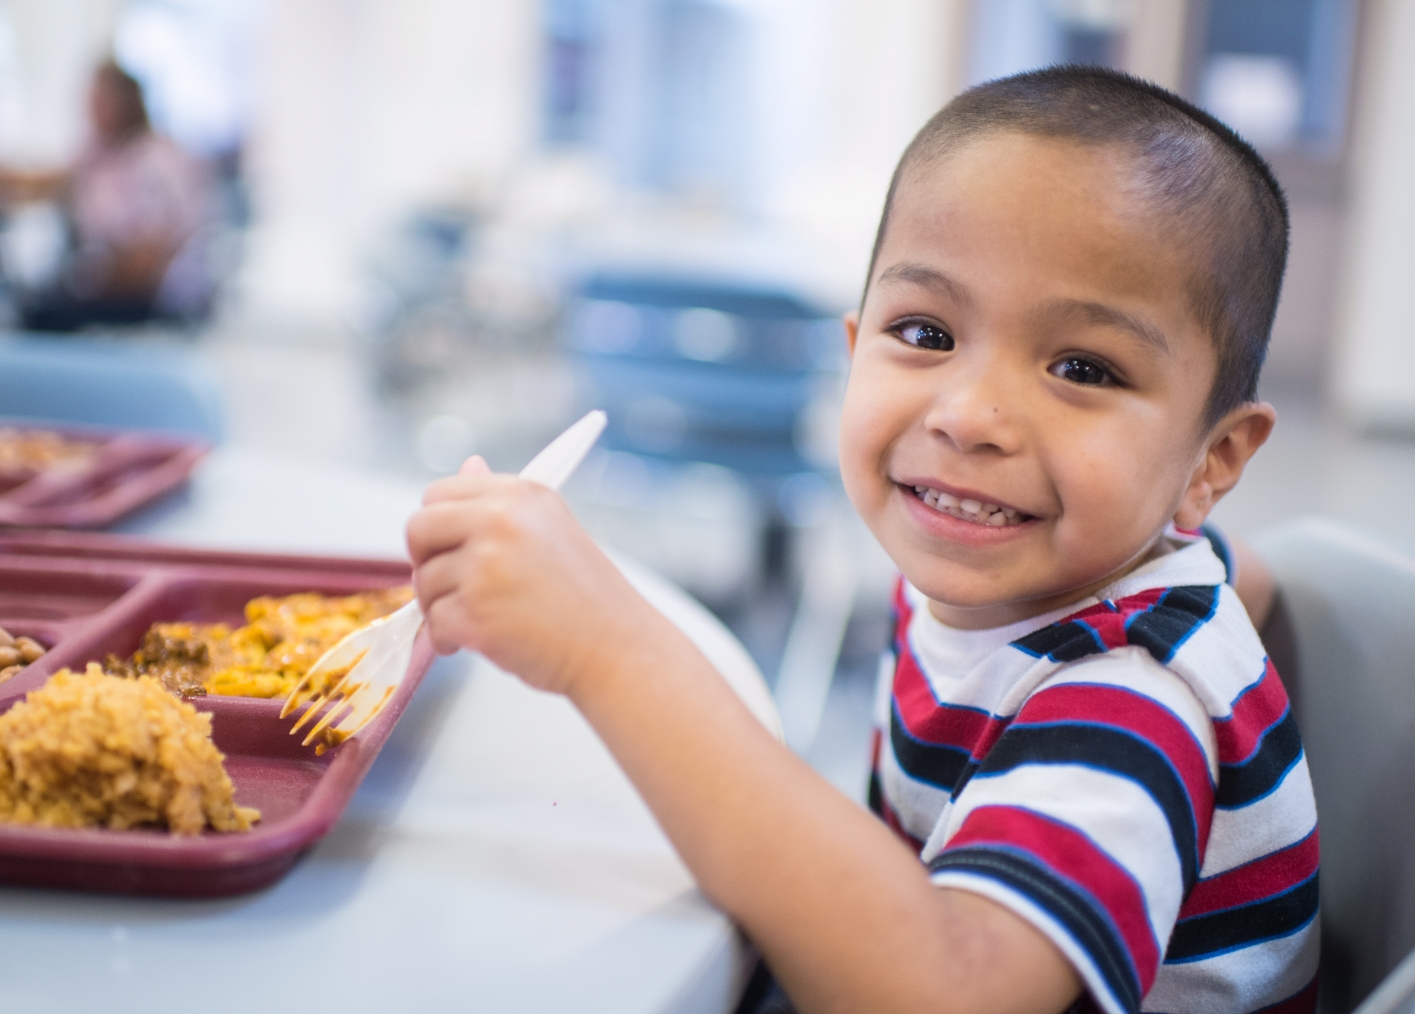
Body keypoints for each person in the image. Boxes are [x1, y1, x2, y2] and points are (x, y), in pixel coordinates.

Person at [404, 66, 1317, 1014]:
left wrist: (604, 646)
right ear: (852, 353)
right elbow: (1237, 579)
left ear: (1212, 460)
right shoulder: (1020, 575)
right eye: (924, 332)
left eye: (1079, 366)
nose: (968, 416)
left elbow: (947, 992)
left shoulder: (1129, 705)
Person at [0, 62, 209, 329]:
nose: (92, 112)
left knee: (44, 318)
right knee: (25, 307)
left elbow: (145, 264)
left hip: (154, 301)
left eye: (100, 102)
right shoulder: (99, 156)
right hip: (105, 285)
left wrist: (84, 282)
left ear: (128, 103)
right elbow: (45, 183)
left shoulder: (158, 161)